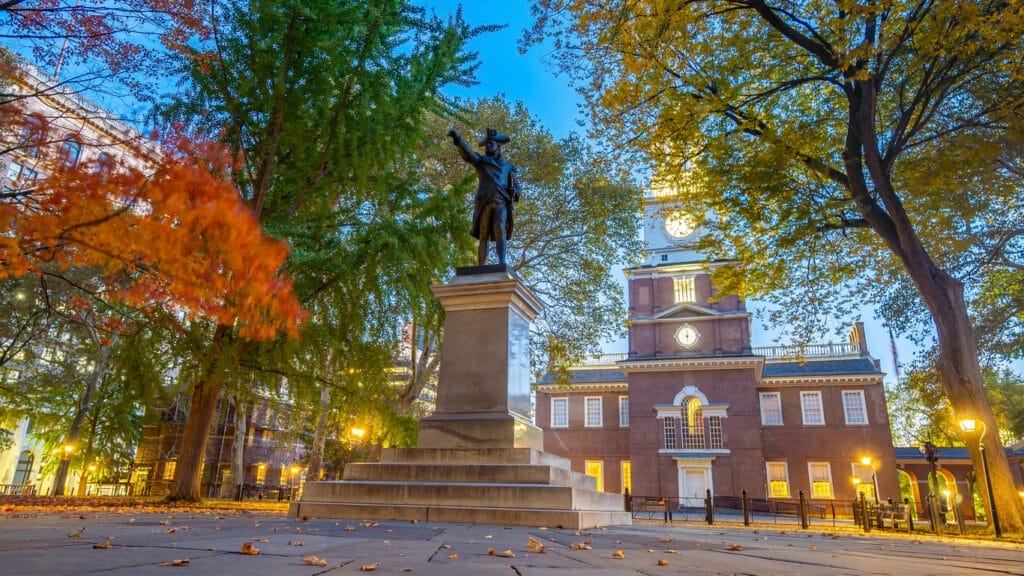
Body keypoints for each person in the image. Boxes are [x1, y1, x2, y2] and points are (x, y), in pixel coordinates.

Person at [447, 127, 520, 266]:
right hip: (485, 202)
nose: (487, 146)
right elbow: (469, 154)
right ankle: (481, 265)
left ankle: (502, 261)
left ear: (498, 147)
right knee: (483, 234)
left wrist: (514, 191)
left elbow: (517, 187)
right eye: (486, 144)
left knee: (500, 229)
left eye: (490, 143)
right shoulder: (481, 161)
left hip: (501, 202)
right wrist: (458, 139)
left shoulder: (509, 167)